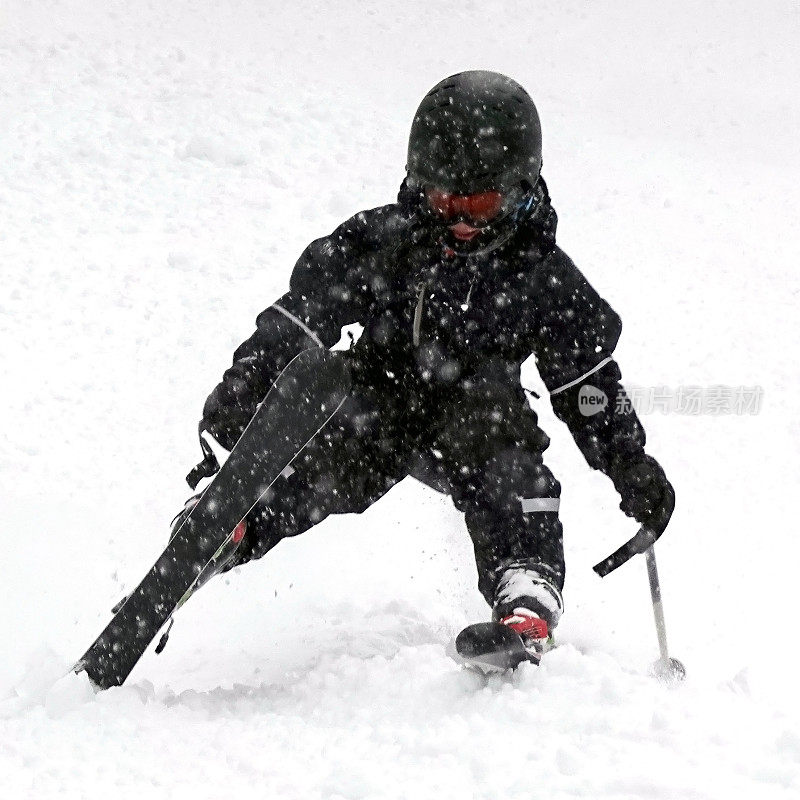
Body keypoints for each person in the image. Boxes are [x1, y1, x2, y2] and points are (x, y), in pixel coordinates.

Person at [177, 70, 674, 659]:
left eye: (482, 202)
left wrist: (630, 464)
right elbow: (301, 317)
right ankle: (236, 524)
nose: (461, 219)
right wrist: (246, 385)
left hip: (478, 424)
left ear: (522, 189)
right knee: (338, 421)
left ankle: (525, 593)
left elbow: (586, 384)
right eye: (445, 199)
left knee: (506, 454)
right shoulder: (387, 241)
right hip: (380, 406)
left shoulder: (541, 276)